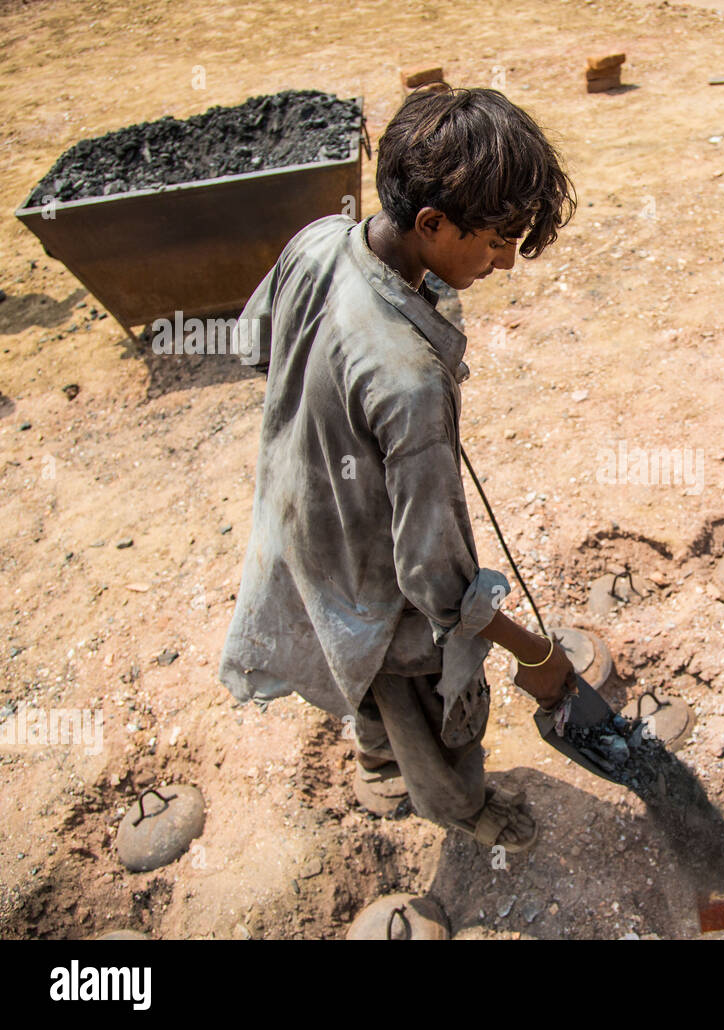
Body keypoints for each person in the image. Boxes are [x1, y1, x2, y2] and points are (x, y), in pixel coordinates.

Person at [219, 86, 578, 853]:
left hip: (298, 520)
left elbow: (257, 343)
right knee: (424, 697)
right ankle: (460, 808)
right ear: (432, 224)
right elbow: (438, 588)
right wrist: (537, 657)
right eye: (497, 240)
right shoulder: (410, 383)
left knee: (365, 680)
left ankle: (376, 759)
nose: (506, 260)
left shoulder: (319, 239)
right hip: (371, 577)